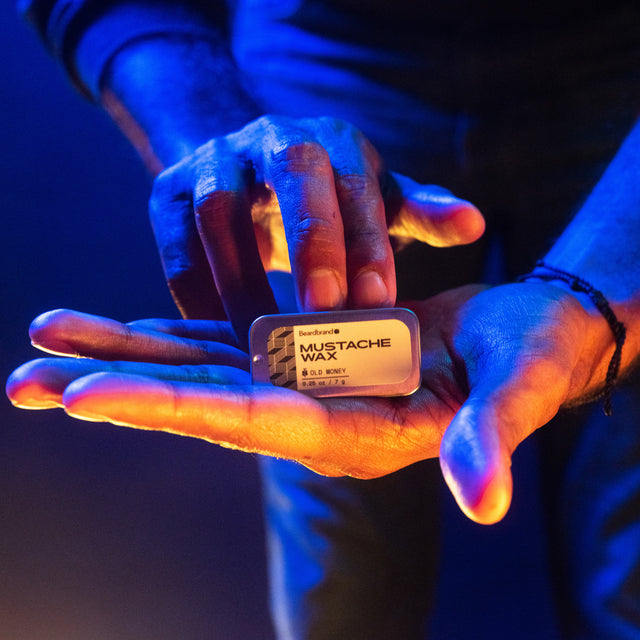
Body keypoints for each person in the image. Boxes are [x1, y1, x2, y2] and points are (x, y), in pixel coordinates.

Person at [8, 1, 640, 637]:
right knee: (339, 579)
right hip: (318, 46)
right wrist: (210, 138)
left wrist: (597, 299)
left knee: (628, 567)